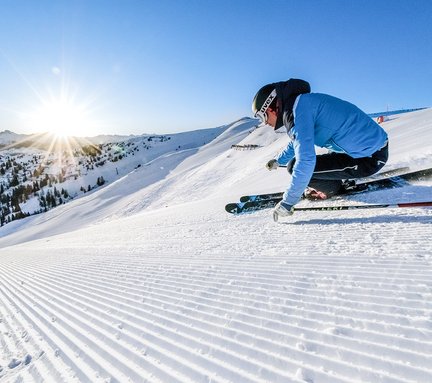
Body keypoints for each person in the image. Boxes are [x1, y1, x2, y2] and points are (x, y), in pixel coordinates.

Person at [252, 79, 389, 221]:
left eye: (262, 117)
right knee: (304, 164)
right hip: (368, 148)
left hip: (369, 158)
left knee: (294, 167)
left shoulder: (295, 112)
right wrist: (278, 160)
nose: (265, 123)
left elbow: (306, 160)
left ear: (270, 108)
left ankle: (332, 188)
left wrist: (288, 202)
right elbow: (298, 140)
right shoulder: (300, 104)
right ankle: (340, 177)